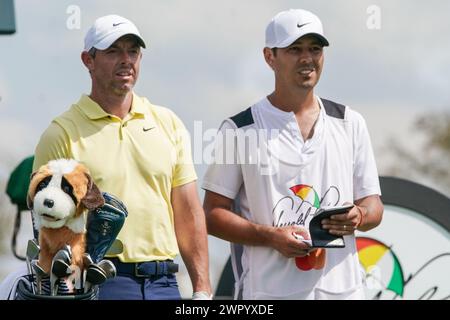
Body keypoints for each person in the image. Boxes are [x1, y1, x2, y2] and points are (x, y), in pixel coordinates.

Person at [202, 9, 383, 300]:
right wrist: (268, 236)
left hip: (343, 292)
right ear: (269, 56)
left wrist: (358, 215)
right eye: (294, 49)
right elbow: (211, 214)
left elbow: (373, 205)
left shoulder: (350, 122)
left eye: (315, 48)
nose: (307, 58)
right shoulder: (240, 129)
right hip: (267, 293)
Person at [33, 14, 212, 300]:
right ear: (88, 60)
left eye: (133, 51)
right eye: (113, 51)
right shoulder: (62, 133)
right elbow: (44, 224)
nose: (126, 59)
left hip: (165, 283)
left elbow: (189, 213)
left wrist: (202, 288)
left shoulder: (169, 123)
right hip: (98, 282)